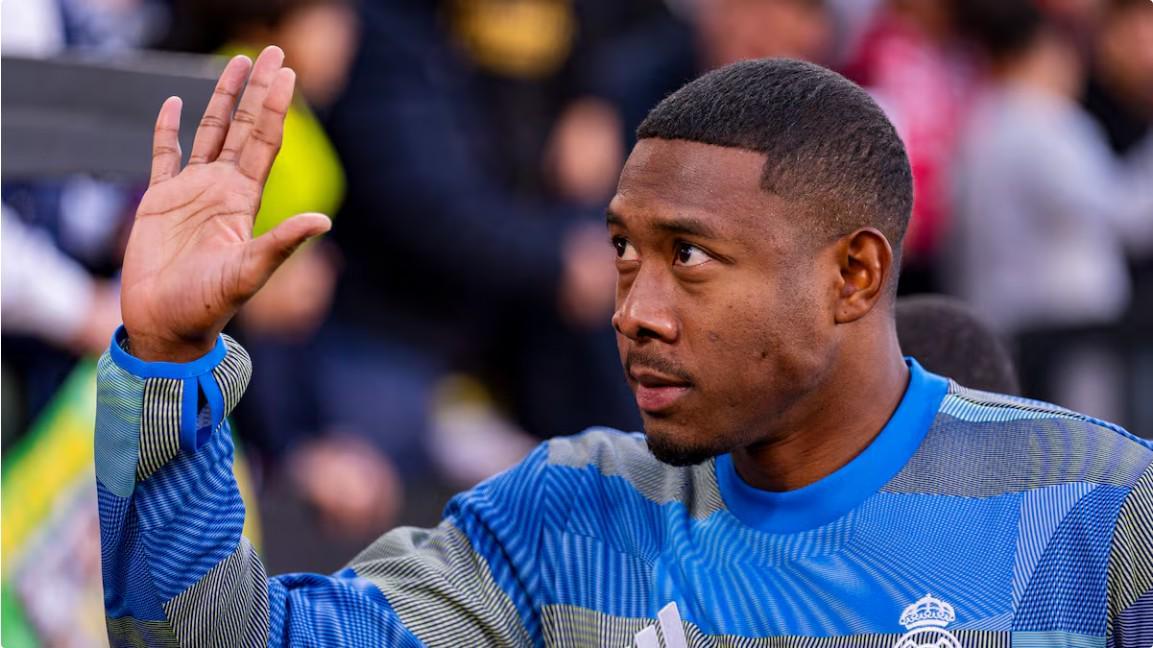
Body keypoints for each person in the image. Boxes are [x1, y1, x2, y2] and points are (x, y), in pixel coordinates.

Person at [96, 48, 1152, 645]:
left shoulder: (1099, 507)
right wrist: (168, 357)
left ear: (854, 275)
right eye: (621, 251)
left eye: (688, 256)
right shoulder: (562, 518)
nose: (633, 309)